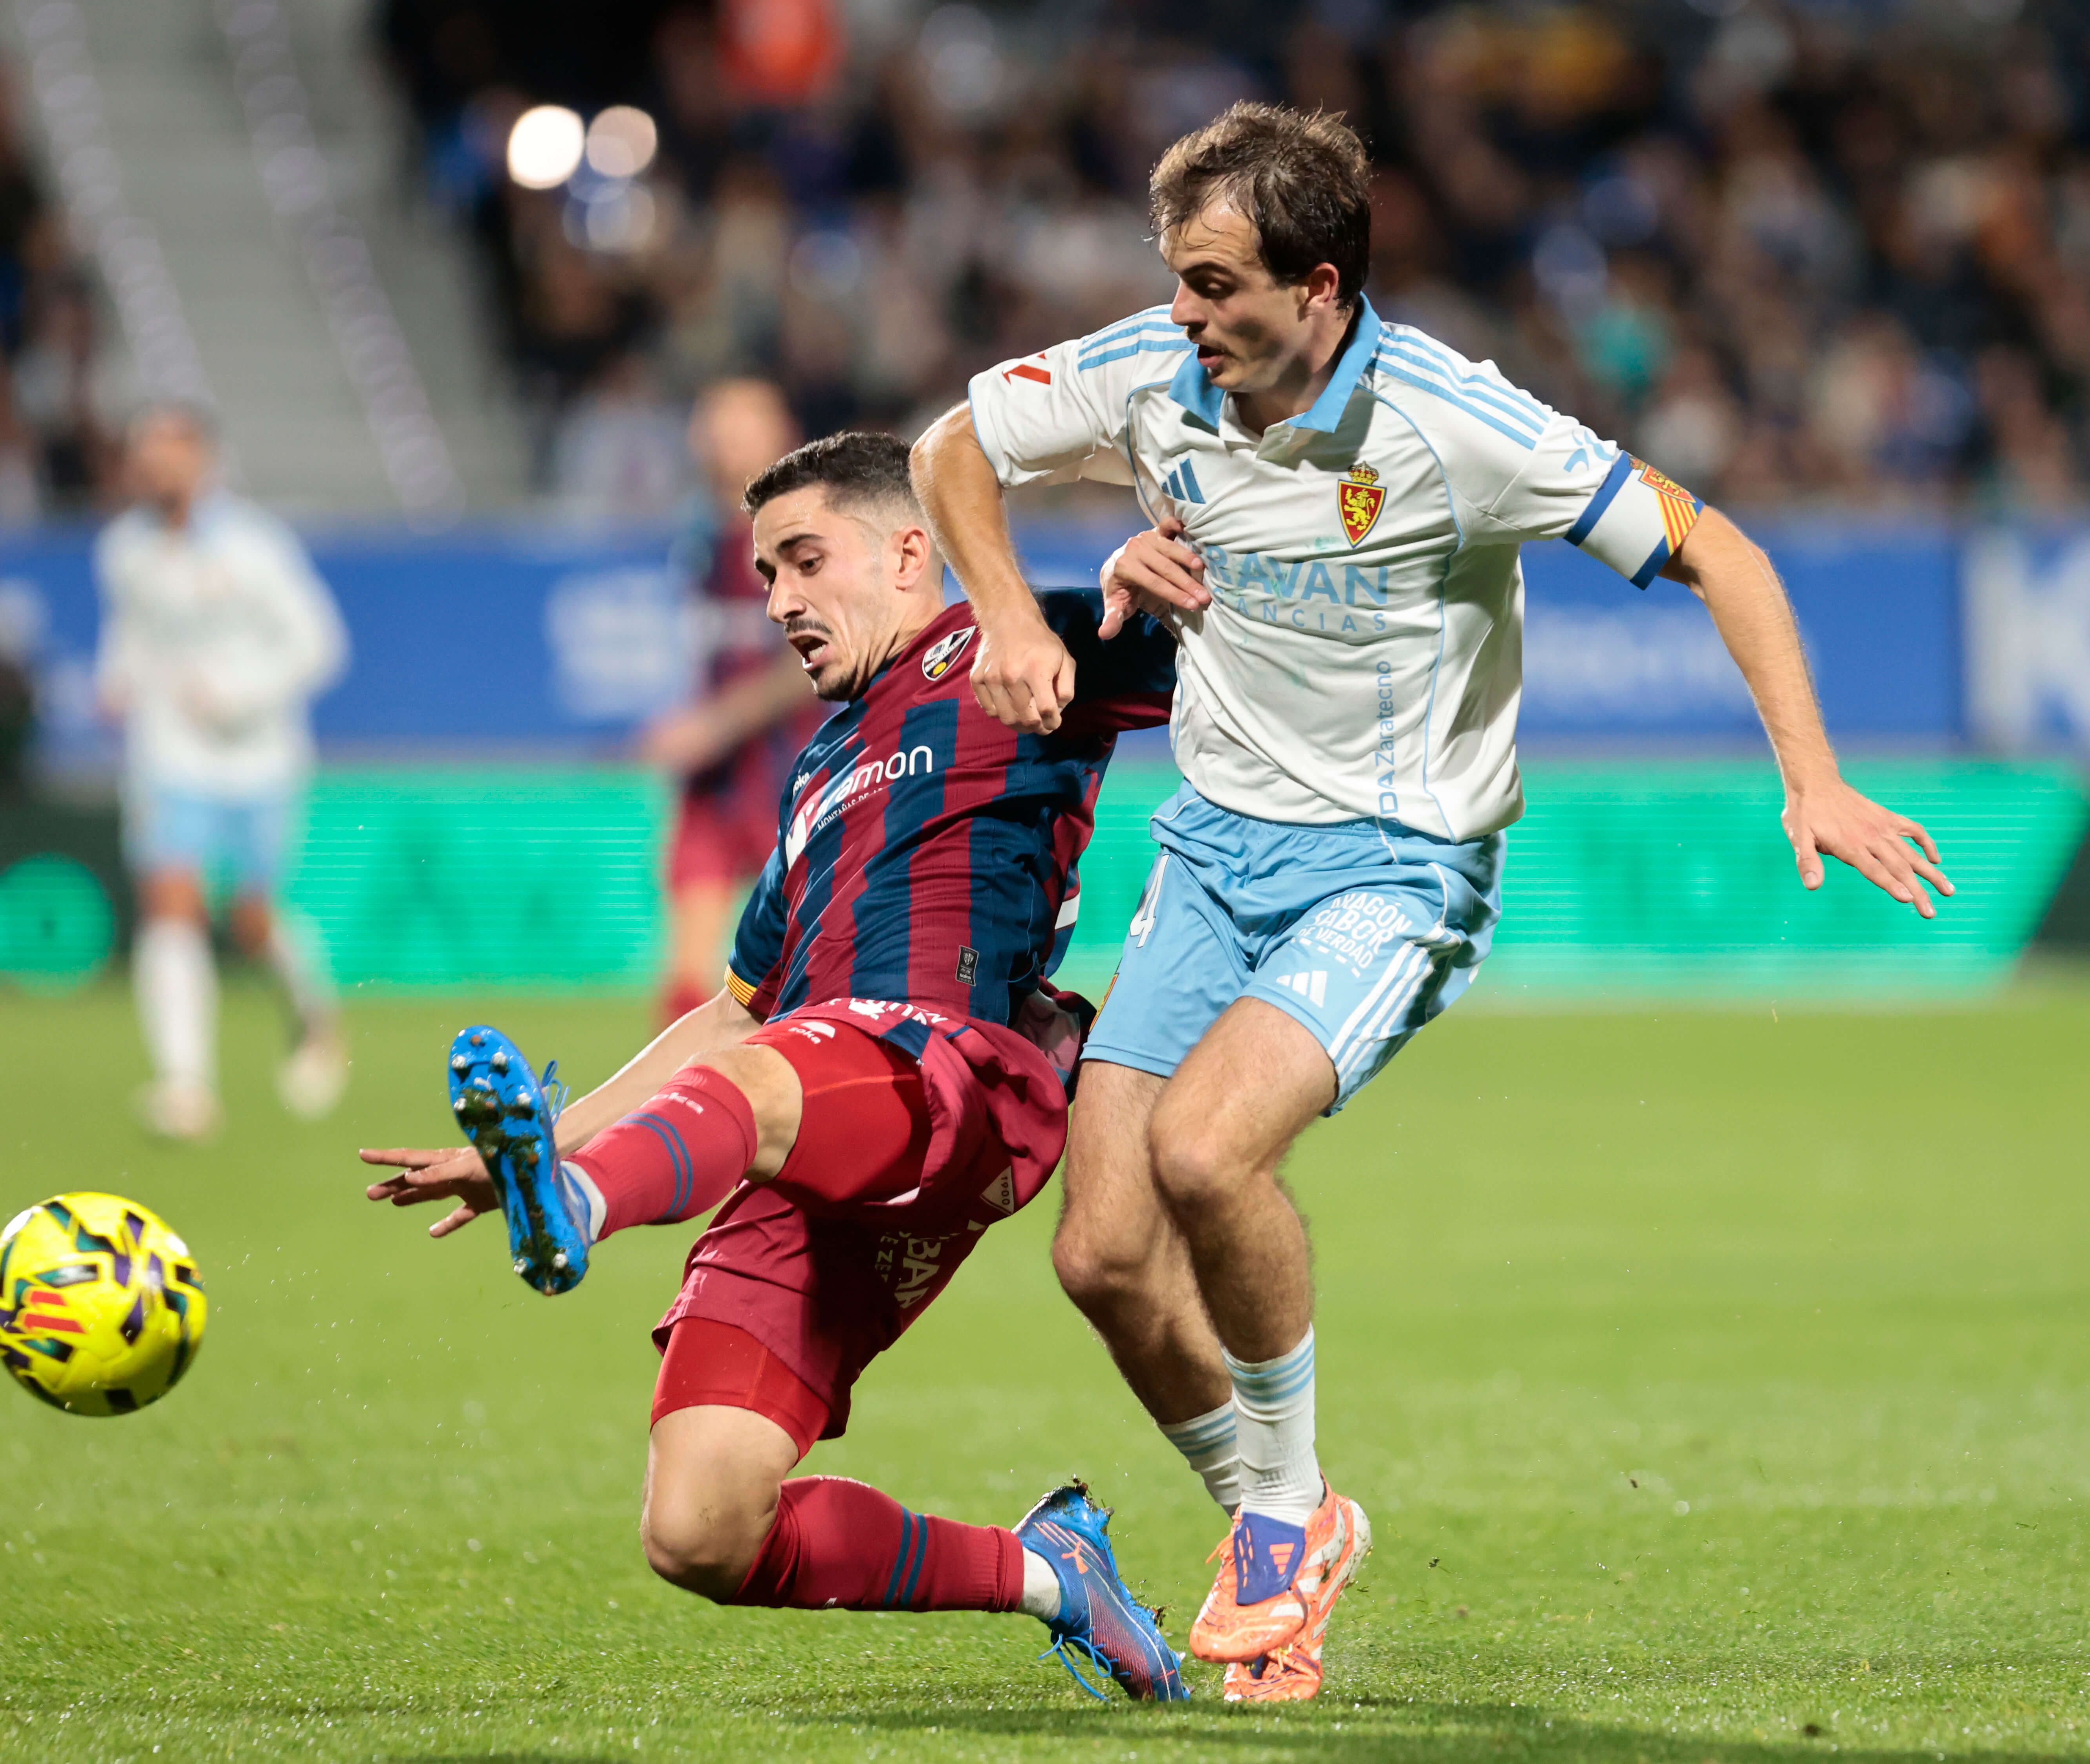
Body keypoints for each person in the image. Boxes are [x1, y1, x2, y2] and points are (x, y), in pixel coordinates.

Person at [909, 102, 1951, 1703]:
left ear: (1317, 286)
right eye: (1172, 280)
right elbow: (950, 447)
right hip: (1209, 852)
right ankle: (1286, 1514)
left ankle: (1271, 1519)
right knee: (1101, 1256)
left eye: (1211, 284)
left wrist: (1806, 774)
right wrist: (1004, 611)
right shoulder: (1149, 373)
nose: (1180, 316)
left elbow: (1717, 549)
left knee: (1203, 1151)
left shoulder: (1457, 424)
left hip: (1394, 865)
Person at [357, 433, 1189, 1702]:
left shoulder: (1011, 644)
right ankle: (1049, 1574)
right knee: (700, 1529)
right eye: (763, 576)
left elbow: (1246, 665)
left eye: (804, 561)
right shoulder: (816, 774)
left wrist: (1187, 566)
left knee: (781, 1074)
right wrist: (543, 1139)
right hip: (807, 1123)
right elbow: (729, 1019)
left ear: (912, 548)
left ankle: (575, 1214)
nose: (779, 602)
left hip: (953, 1077)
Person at [95, 403, 349, 1141]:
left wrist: (241, 694)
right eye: (145, 454)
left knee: (251, 918)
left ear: (203, 461)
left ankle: (312, 1013)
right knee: (170, 901)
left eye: (169, 454)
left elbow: (319, 643)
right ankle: (186, 1088)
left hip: (260, 760)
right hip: (168, 756)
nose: (154, 468)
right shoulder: (124, 550)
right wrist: (115, 678)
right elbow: (133, 631)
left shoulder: (255, 547)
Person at [643, 379, 824, 1025]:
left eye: (739, 423)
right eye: (712, 422)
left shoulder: (809, 535)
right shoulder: (702, 539)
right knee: (684, 978)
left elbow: (805, 663)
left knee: (799, 970)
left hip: (796, 767)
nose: (720, 438)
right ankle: (675, 1117)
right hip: (717, 780)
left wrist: (711, 726)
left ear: (780, 434)